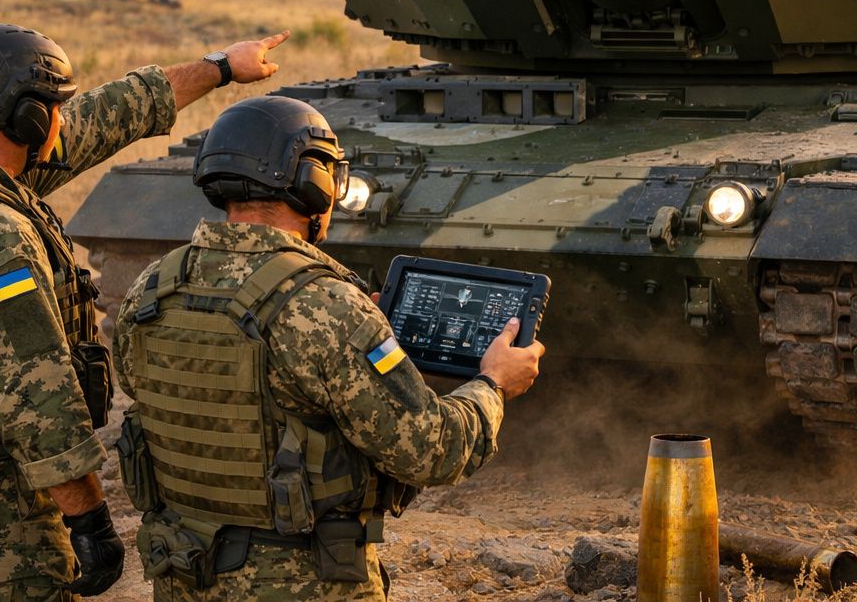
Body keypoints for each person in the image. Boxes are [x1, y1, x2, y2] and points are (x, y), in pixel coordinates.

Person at [0, 22, 291, 601]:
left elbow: (107, 115)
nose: (64, 124)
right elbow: (37, 396)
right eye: (55, 111)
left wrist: (220, 66)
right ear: (29, 122)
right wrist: (88, 519)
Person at [111, 96, 543, 600]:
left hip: (184, 573)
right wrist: (493, 384)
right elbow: (432, 451)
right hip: (303, 584)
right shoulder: (328, 307)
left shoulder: (150, 289)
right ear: (311, 184)